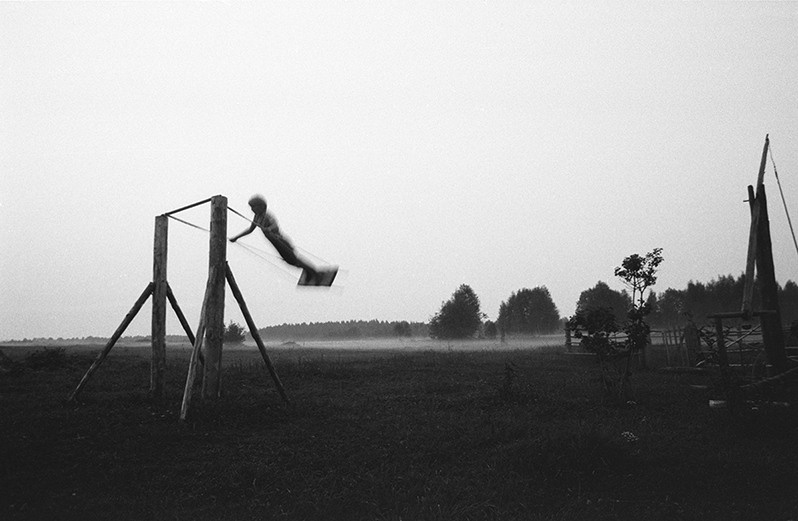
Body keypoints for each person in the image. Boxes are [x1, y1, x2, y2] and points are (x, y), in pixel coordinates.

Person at [230, 195, 335, 286]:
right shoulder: (257, 217)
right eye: (251, 207)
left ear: (261, 206)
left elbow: (275, 225)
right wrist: (237, 237)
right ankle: (309, 272)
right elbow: (250, 229)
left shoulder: (267, 215)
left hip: (281, 241)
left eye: (254, 207)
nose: (252, 209)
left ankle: (315, 274)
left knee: (294, 259)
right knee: (290, 261)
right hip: (275, 243)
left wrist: (269, 229)